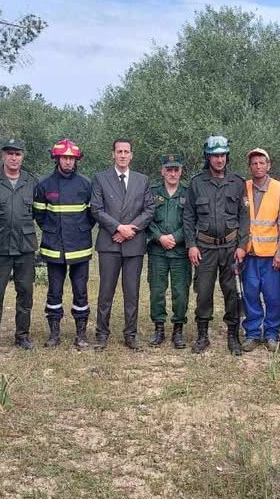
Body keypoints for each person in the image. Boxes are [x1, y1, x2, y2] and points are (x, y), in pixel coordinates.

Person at [183, 135, 250, 355]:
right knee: (203, 292)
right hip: (204, 248)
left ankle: (233, 336)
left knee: (231, 292)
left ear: (227, 156)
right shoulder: (196, 183)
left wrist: (242, 245)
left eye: (222, 155)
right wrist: (191, 245)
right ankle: (203, 336)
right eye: (215, 156)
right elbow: (189, 217)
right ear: (208, 157)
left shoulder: (238, 183)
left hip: (231, 248)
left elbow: (244, 216)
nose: (219, 160)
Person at [90, 138, 155, 350]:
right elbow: (97, 209)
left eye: (127, 151)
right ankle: (101, 333)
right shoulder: (100, 178)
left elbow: (149, 210)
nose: (123, 155)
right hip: (109, 244)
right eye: (119, 151)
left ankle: (131, 334)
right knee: (106, 292)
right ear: (113, 154)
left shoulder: (142, 180)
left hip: (133, 245)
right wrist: (118, 228)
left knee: (132, 292)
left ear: (132, 155)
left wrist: (129, 230)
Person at [33, 139, 95, 349]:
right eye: (64, 157)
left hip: (80, 246)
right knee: (54, 291)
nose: (68, 162)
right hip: (54, 246)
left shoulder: (86, 184)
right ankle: (54, 333)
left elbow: (92, 214)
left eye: (71, 158)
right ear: (57, 159)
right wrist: (52, 231)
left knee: (81, 291)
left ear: (76, 160)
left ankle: (81, 334)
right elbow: (39, 215)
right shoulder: (44, 184)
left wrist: (80, 230)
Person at [0, 139, 39, 361]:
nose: (14, 158)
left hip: (24, 247)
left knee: (25, 293)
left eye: (18, 154)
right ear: (3, 156)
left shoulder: (31, 182)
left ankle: (22, 336)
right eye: (10, 154)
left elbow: (38, 213)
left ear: (22, 156)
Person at [241, 148, 280, 352]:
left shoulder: (279, 188)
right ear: (250, 167)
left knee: (273, 297)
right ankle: (252, 333)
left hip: (271, 256)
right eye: (254, 163)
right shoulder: (244, 187)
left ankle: (271, 334)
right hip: (248, 254)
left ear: (268, 165)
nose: (258, 166)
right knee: (250, 295)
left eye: (262, 163)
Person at [146, 153, 191, 349]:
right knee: (157, 290)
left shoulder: (188, 192)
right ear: (162, 171)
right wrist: (160, 237)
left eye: (176, 169)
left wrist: (177, 237)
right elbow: (146, 218)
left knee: (180, 292)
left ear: (181, 170)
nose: (172, 173)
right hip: (158, 251)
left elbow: (192, 220)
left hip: (180, 252)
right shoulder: (152, 191)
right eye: (169, 169)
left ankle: (178, 329)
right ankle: (159, 328)